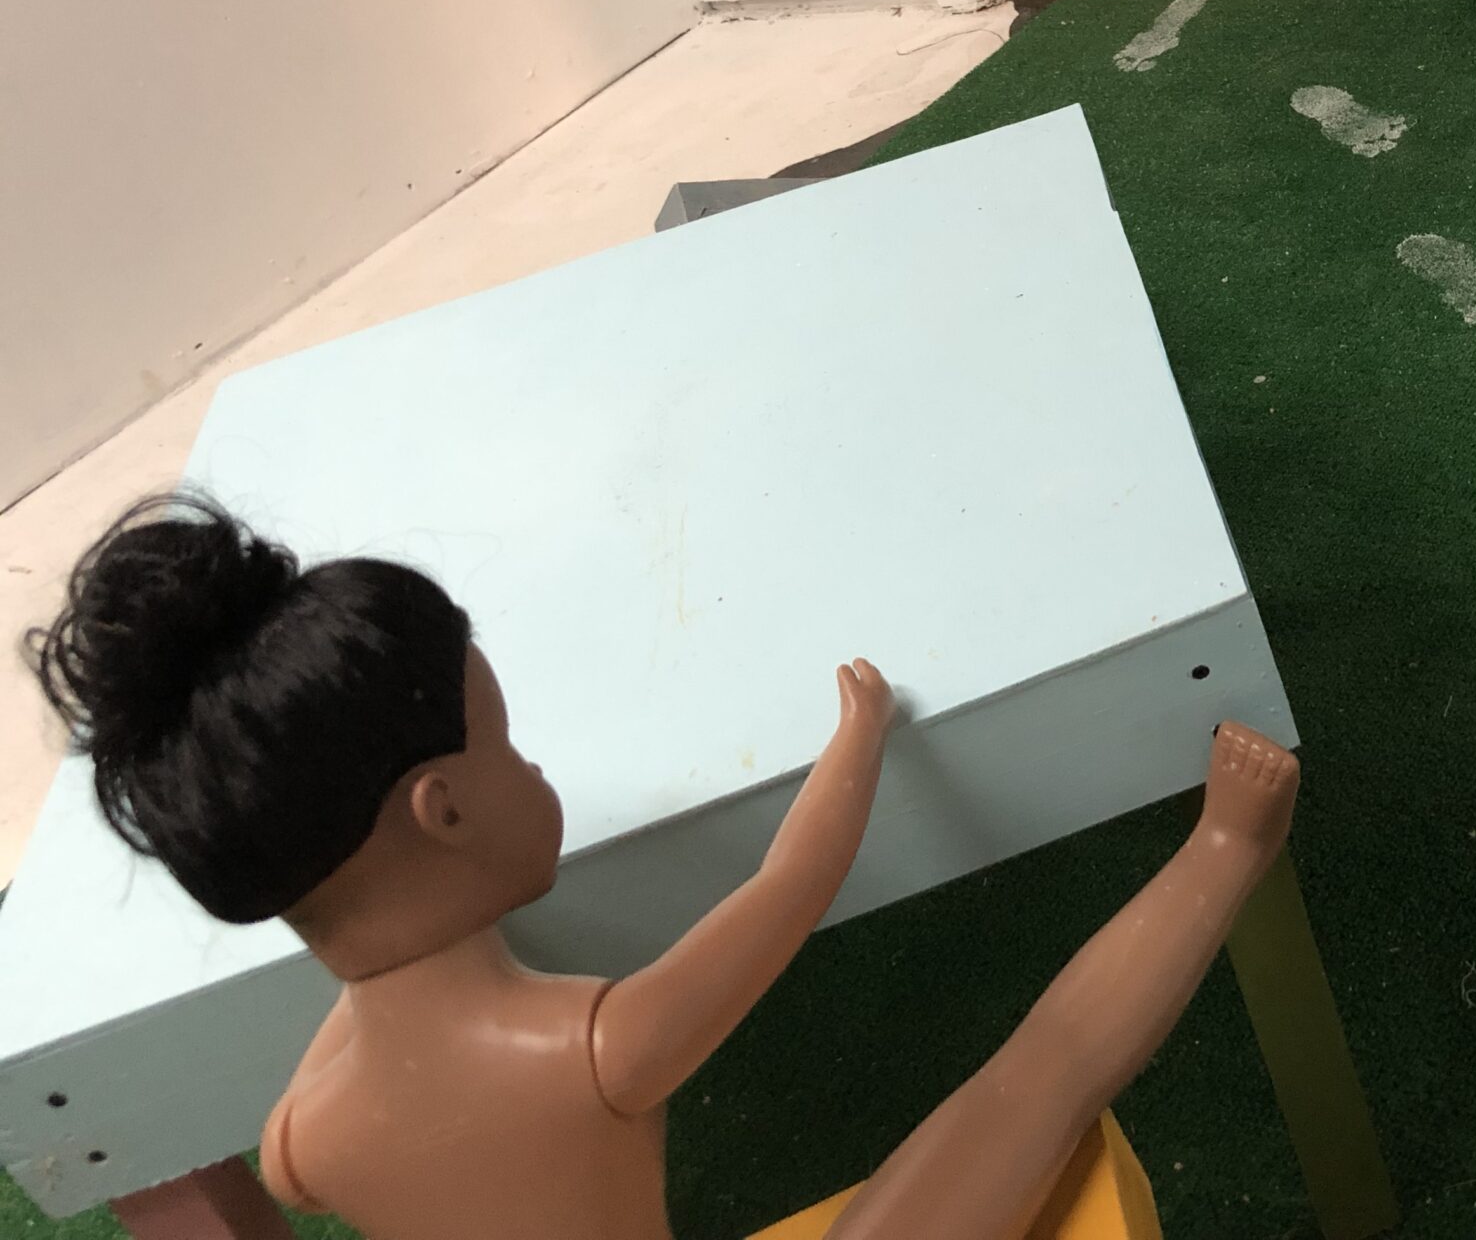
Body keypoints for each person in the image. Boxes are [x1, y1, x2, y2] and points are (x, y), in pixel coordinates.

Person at [26, 492, 1299, 1240]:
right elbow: (788, 890)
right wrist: (856, 740)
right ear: (442, 810)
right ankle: (1223, 850)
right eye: (506, 750)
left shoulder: (300, 1140)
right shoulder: (596, 1051)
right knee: (1033, 1079)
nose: (534, 772)